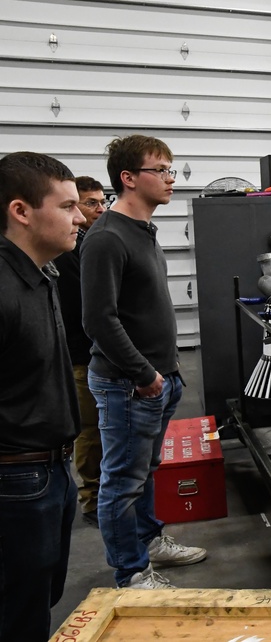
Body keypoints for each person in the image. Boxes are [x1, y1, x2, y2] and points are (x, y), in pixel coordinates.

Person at [81, 135, 207, 590]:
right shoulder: (107, 237)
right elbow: (98, 319)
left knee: (145, 472)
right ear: (128, 178)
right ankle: (131, 573)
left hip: (157, 379)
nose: (172, 179)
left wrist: (165, 372)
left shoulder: (142, 230)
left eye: (173, 169)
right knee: (121, 482)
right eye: (161, 170)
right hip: (129, 384)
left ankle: (149, 542)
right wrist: (144, 374)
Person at [0, 151, 84, 641]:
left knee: (38, 598)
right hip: (15, 480)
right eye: (68, 205)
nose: (79, 217)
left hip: (50, 470)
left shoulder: (42, 275)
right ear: (22, 211)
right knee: (17, 614)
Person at [53, 176, 107, 527]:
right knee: (89, 430)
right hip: (81, 357)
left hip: (94, 355)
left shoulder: (87, 242)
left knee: (101, 429)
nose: (99, 209)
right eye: (90, 203)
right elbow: (86, 306)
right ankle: (91, 499)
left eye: (103, 202)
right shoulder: (70, 253)